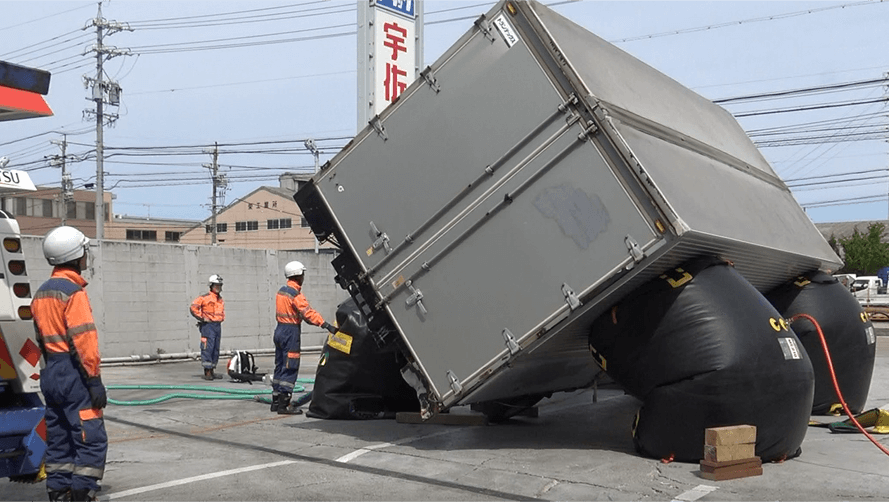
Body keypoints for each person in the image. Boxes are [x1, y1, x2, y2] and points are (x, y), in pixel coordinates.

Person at [31, 226, 107, 501]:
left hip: (51, 370)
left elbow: (39, 337)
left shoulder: (42, 293)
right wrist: (94, 380)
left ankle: (58, 489)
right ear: (76, 255)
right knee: (91, 435)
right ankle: (81, 491)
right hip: (74, 372)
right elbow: (84, 340)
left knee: (59, 434)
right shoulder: (73, 292)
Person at [272, 261, 337, 414]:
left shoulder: (281, 291)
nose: (303, 277)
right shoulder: (296, 294)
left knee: (280, 365)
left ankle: (276, 401)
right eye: (302, 274)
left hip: (279, 330)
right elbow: (307, 313)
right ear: (298, 275)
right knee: (290, 366)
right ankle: (285, 404)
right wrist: (326, 325)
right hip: (290, 333)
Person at [190, 275, 225, 380]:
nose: (218, 287)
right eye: (216, 285)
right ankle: (207, 371)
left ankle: (213, 369)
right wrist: (202, 318)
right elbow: (193, 308)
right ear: (211, 286)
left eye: (219, 285)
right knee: (207, 348)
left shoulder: (220, 299)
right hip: (208, 326)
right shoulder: (204, 298)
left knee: (215, 348)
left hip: (217, 325)